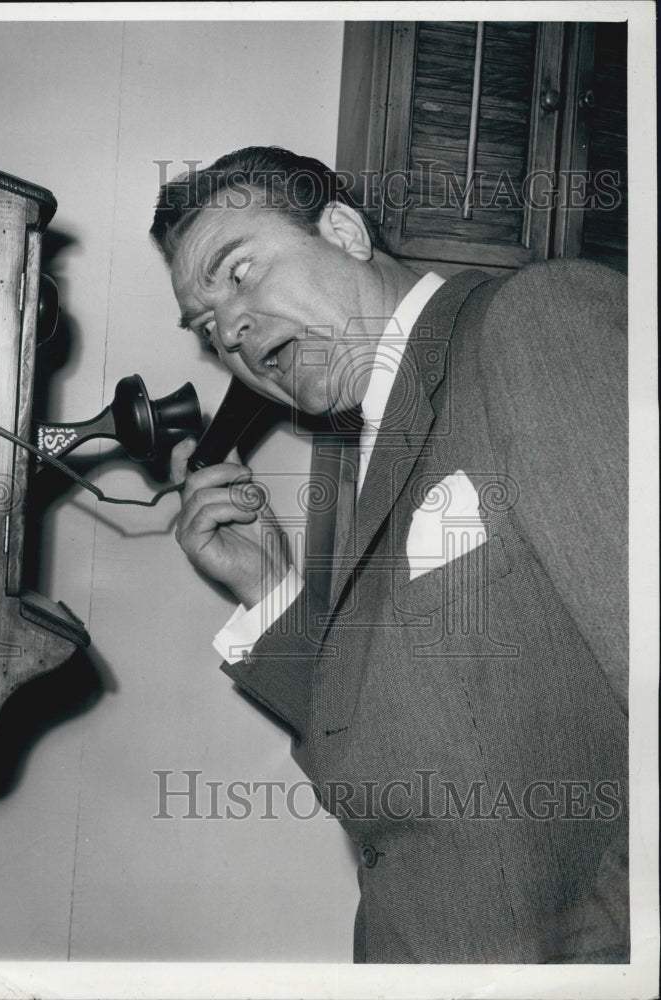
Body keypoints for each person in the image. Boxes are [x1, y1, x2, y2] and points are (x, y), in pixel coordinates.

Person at [149, 147, 628, 963]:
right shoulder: (366, 449)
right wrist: (269, 592)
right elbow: (390, 755)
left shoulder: (534, 322)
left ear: (343, 229)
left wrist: (590, 961)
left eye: (239, 274)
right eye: (206, 325)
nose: (227, 329)